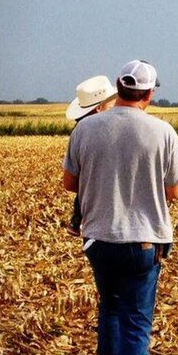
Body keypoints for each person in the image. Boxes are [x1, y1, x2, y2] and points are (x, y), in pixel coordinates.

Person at [62, 60, 178, 355]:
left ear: (118, 87)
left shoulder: (84, 130)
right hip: (145, 241)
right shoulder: (163, 132)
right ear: (149, 94)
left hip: (99, 239)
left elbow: (69, 183)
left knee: (110, 309)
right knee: (136, 323)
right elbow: (174, 191)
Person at [64, 75, 118, 236]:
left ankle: (76, 221)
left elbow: (70, 183)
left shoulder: (79, 131)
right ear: (99, 107)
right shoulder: (106, 130)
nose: (115, 105)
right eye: (111, 102)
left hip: (93, 223)